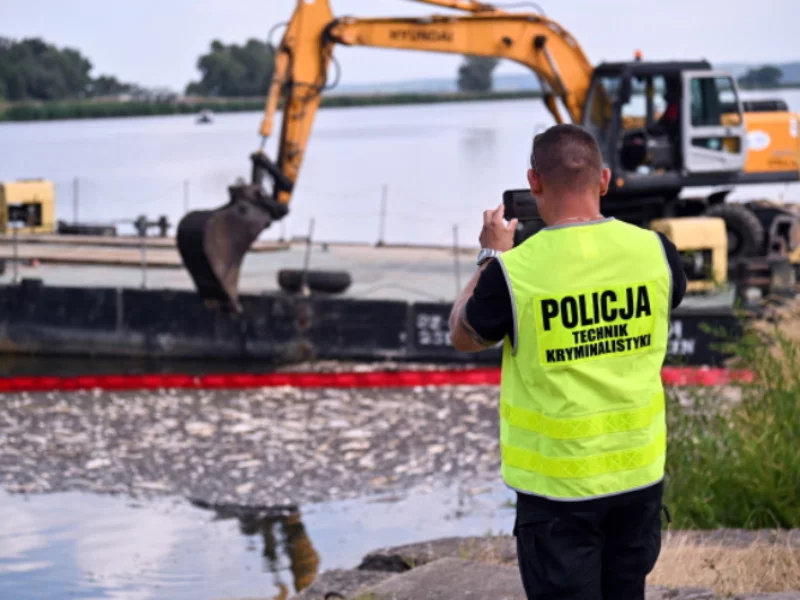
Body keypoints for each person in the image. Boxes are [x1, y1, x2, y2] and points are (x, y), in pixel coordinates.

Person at [448, 123, 686, 600]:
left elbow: (462, 335)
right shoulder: (655, 252)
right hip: (638, 477)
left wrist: (489, 255)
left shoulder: (514, 271)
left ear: (534, 184)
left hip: (558, 491)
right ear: (603, 179)